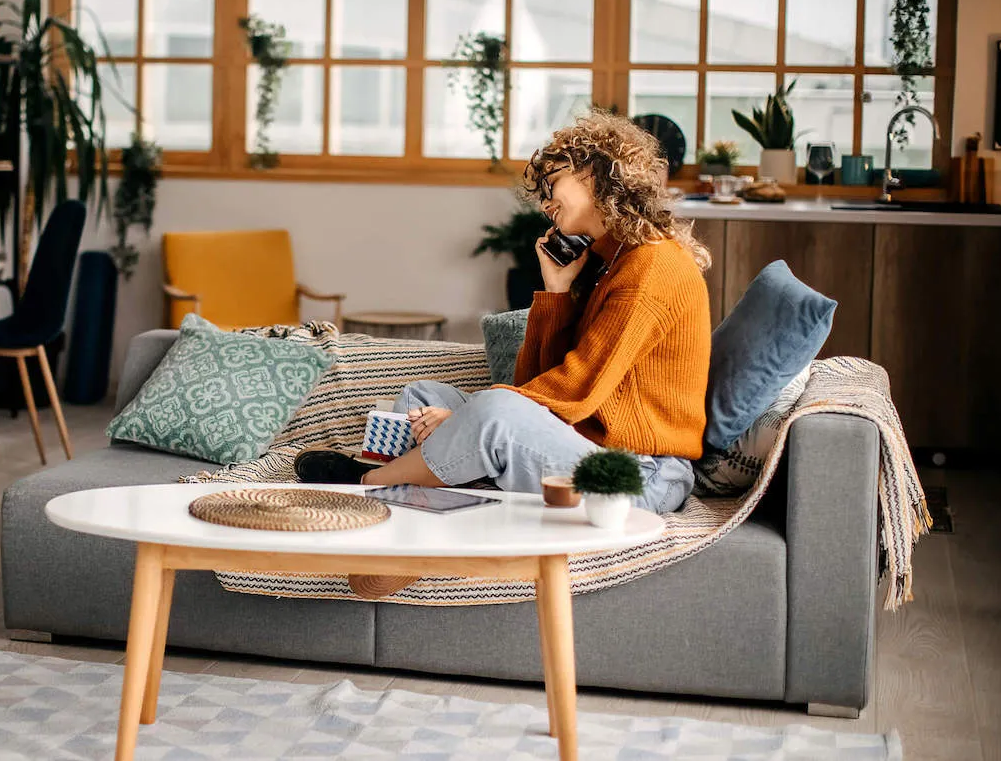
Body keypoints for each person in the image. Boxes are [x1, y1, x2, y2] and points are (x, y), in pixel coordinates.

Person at [296, 112, 712, 546]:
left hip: (639, 474)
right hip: (585, 442)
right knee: (423, 397)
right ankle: (442, 477)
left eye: (553, 185)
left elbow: (576, 390)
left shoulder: (651, 267)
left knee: (494, 413)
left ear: (597, 173)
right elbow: (533, 385)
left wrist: (469, 417)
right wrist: (556, 290)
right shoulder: (609, 265)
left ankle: (368, 484)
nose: (545, 203)